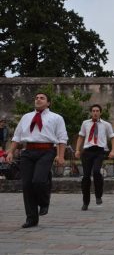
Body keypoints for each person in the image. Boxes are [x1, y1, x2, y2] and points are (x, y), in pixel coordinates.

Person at [6, 93, 68, 228]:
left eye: (42, 98)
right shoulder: (26, 117)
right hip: (28, 152)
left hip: (46, 151)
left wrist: (61, 156)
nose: (38, 99)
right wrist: (10, 152)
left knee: (39, 180)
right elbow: (17, 137)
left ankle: (44, 201)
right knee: (27, 185)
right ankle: (31, 218)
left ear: (48, 103)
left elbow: (62, 138)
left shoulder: (56, 118)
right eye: (36, 98)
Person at [75, 104, 114, 211]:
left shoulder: (106, 125)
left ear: (100, 113)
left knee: (97, 171)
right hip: (87, 151)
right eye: (93, 111)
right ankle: (85, 202)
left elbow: (112, 137)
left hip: (100, 151)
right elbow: (81, 136)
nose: (95, 113)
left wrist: (112, 151)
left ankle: (98, 195)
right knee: (86, 177)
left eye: (97, 111)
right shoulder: (85, 123)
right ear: (91, 112)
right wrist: (77, 150)